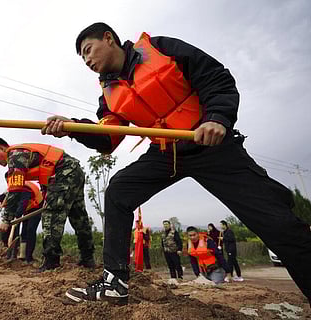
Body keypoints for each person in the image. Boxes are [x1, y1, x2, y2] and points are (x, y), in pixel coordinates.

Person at [40, 22, 311, 306]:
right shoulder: (109, 93)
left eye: (88, 50)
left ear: (108, 38)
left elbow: (215, 77)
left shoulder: (160, 49)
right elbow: (108, 137)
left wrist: (217, 117)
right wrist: (72, 127)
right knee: (118, 190)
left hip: (211, 145)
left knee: (277, 222)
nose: (87, 61)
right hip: (165, 154)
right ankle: (114, 282)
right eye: (82, 58)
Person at [0, 138, 95, 272]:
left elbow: (15, 190)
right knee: (78, 216)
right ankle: (87, 259)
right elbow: (46, 173)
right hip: (73, 171)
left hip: (64, 172)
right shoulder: (24, 153)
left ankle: (51, 262)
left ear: (2, 148)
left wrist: (6, 220)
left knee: (51, 216)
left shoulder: (15, 155)